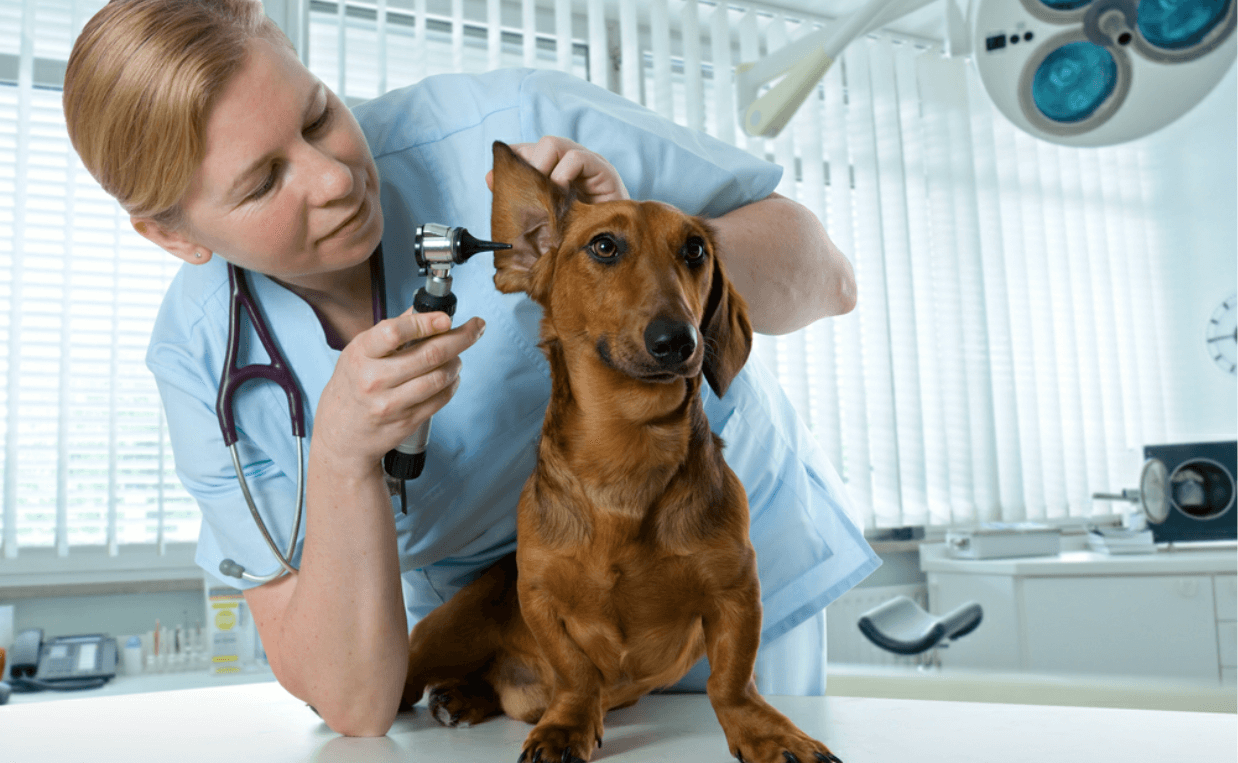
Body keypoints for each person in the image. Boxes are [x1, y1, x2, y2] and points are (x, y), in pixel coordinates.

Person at [63, 0, 879, 737]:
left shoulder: (512, 131)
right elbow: (351, 701)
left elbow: (828, 275)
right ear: (176, 237)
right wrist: (342, 454)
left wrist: (636, 267)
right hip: (513, 641)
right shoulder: (203, 362)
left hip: (710, 583)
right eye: (265, 180)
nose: (335, 178)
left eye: (318, 116)